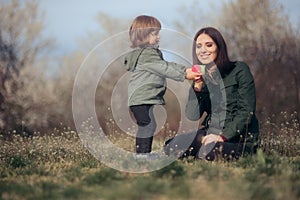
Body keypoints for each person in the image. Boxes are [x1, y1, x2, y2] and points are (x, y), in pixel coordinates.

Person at [164, 27, 260, 161]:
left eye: (209, 45)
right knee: (171, 146)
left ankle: (209, 152)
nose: (203, 50)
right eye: (199, 46)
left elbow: (247, 112)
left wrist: (222, 136)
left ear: (219, 47)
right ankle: (202, 150)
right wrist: (197, 87)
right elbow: (192, 115)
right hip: (209, 134)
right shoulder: (203, 77)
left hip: (238, 138)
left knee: (208, 151)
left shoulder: (239, 69)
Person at [124, 15, 200, 158]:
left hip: (143, 98)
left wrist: (186, 70)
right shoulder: (147, 55)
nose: (158, 37)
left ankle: (144, 154)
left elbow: (167, 65)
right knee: (148, 125)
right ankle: (141, 156)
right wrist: (184, 74)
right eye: (154, 34)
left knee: (148, 124)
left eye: (158, 33)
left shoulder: (151, 54)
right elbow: (164, 68)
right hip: (141, 98)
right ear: (143, 35)